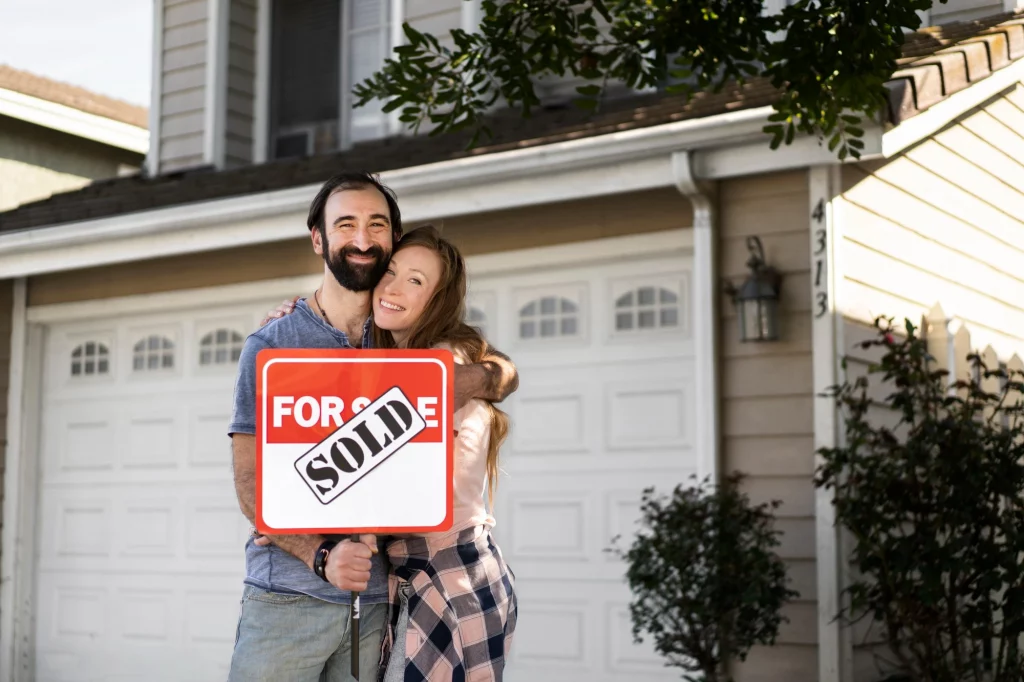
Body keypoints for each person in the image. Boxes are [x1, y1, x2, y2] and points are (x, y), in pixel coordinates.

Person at [228, 173, 518, 682]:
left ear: (390, 241)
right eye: (345, 224)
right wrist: (319, 556)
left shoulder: (402, 344)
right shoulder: (274, 343)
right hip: (288, 603)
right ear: (318, 238)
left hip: (382, 602)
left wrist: (465, 379)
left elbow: (501, 373)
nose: (362, 239)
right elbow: (253, 486)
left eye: (376, 225)